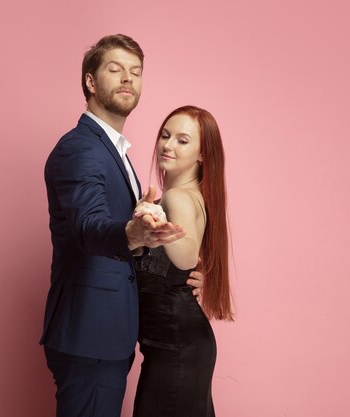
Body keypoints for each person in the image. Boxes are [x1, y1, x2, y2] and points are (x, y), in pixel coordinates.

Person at [40, 35, 202, 417]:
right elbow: (88, 226)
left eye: (136, 72)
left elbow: (125, 237)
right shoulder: (80, 148)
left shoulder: (113, 150)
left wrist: (182, 278)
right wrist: (131, 233)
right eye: (115, 70)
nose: (128, 79)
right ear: (90, 82)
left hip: (107, 333)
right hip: (90, 334)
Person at [132, 106, 234, 417]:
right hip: (175, 344)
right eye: (165, 136)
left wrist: (159, 226)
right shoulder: (182, 195)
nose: (168, 145)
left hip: (176, 345)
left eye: (182, 140)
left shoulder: (176, 199)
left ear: (203, 155)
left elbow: (187, 254)